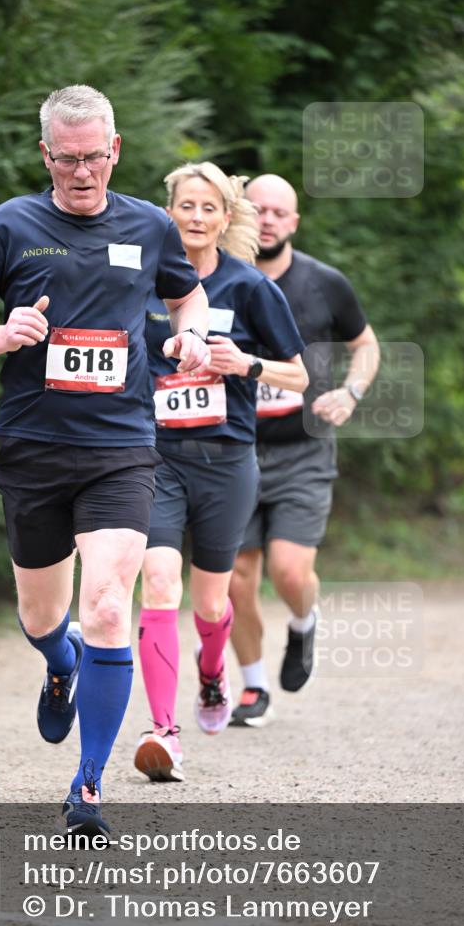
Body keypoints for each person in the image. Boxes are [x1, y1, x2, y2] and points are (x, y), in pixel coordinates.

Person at [0, 85, 210, 834]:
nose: (82, 172)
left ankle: (88, 786)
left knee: (105, 607)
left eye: (95, 157)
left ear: (115, 150)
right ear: (46, 156)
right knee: (42, 616)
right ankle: (58, 664)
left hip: (121, 447)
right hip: (32, 445)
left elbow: (186, 297)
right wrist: (1, 335)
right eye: (67, 159)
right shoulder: (11, 225)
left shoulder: (150, 226)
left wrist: (188, 335)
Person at [134, 163, 307, 782]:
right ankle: (163, 731)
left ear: (225, 217)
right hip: (155, 459)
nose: (197, 217)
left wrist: (246, 364)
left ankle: (213, 676)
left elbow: (299, 375)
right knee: (158, 582)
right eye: (186, 206)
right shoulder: (143, 282)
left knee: (211, 603)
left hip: (228, 462)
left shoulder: (251, 287)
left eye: (209, 207)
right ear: (169, 212)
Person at [229, 174, 380, 727]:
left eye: (278, 212)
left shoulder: (324, 283)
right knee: (236, 580)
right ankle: (251, 686)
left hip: (303, 452)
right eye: (256, 209)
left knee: (290, 572)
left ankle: (302, 621)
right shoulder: (217, 280)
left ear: (293, 223)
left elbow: (365, 346)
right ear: (240, 213)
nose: (266, 219)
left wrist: (351, 390)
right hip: (233, 450)